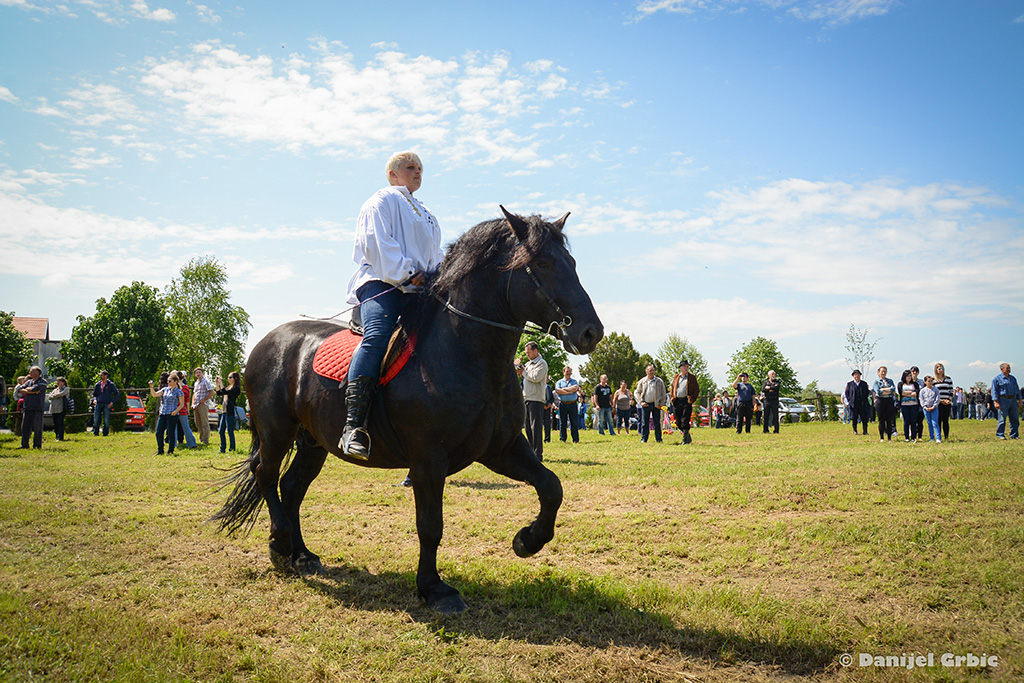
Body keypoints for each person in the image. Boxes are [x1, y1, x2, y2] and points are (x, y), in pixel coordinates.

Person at [340, 151, 445, 460]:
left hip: (419, 289)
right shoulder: (381, 201)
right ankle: (353, 426)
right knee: (377, 337)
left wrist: (439, 277)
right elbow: (377, 244)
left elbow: (435, 255)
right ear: (393, 174)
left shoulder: (427, 213)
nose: (418, 172)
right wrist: (408, 274)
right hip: (382, 282)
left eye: (420, 168)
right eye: (411, 167)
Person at [516, 341, 548, 460]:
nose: (527, 354)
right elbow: (522, 374)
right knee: (528, 427)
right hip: (526, 398)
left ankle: (538, 454)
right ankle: (531, 453)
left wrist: (523, 371)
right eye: (526, 353)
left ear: (536, 351)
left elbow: (535, 377)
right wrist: (517, 366)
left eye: (529, 352)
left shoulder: (542, 363)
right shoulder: (528, 364)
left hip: (536, 399)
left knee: (536, 428)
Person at [148, 373, 185, 455]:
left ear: (175, 381)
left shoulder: (179, 392)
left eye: (170, 381)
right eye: (168, 380)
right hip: (163, 413)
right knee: (158, 432)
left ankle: (170, 450)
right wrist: (151, 387)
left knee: (171, 433)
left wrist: (175, 411)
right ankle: (160, 450)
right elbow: (155, 395)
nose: (168, 382)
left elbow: (182, 404)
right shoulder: (165, 389)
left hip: (172, 414)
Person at [634, 365, 667, 443]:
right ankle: (644, 439)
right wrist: (641, 402)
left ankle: (659, 439)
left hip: (656, 405)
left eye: (653, 370)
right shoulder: (642, 381)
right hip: (646, 404)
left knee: (657, 423)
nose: (652, 372)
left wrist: (661, 404)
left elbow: (663, 393)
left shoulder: (659, 381)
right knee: (644, 423)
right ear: (646, 372)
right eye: (650, 371)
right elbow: (637, 392)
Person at [670, 360, 700, 444]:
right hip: (677, 401)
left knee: (685, 420)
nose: (686, 368)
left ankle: (685, 440)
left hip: (686, 401)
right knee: (678, 421)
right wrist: (672, 398)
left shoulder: (692, 378)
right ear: (680, 368)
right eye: (685, 366)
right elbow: (672, 387)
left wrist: (691, 399)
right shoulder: (676, 377)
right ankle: (687, 436)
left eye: (687, 366)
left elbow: (696, 390)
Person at [19, 366, 47, 449]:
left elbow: (36, 388)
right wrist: (31, 392)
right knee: (25, 427)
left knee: (37, 428)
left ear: (38, 372)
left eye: (32, 371)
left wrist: (28, 390)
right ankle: (24, 445)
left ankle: (37, 445)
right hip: (27, 407)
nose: (30, 372)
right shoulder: (29, 381)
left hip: (37, 408)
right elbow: (20, 389)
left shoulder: (43, 382)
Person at [991, 363, 1021, 440]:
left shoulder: (1013, 378)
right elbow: (994, 391)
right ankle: (1000, 434)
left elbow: (1017, 389)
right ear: (1002, 369)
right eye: (1007, 368)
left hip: (1013, 399)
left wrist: (1020, 399)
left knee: (1015, 418)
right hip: (1003, 400)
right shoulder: (996, 379)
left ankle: (1014, 435)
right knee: (1002, 419)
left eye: (1009, 368)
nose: (1009, 370)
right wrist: (995, 402)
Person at [216, 372, 242, 453]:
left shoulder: (236, 388)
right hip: (224, 411)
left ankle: (232, 448)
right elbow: (219, 393)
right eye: (228, 377)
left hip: (230, 411)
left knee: (230, 431)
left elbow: (225, 393)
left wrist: (221, 383)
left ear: (235, 378)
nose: (228, 379)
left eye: (230, 377)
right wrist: (217, 384)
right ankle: (222, 448)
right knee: (221, 431)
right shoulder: (228, 387)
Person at [555, 366, 581, 443]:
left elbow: (575, 388)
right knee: (562, 423)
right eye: (567, 371)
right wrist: (570, 391)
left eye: (570, 372)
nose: (568, 373)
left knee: (574, 422)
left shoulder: (574, 381)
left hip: (573, 404)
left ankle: (575, 439)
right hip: (562, 404)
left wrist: (563, 390)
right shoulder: (559, 382)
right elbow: (557, 390)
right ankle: (563, 439)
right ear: (563, 372)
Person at [173, 371, 197, 449]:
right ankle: (192, 443)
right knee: (186, 427)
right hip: (183, 409)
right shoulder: (186, 388)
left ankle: (173, 444)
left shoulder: (174, 388)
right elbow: (187, 401)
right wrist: (188, 410)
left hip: (174, 409)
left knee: (173, 427)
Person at [91, 370, 120, 436]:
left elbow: (117, 394)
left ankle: (105, 433)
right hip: (98, 403)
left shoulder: (110, 384)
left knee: (106, 420)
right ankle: (96, 432)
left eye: (102, 375)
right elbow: (94, 394)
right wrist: (94, 399)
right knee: (96, 419)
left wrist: (112, 402)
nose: (100, 376)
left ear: (106, 376)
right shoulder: (97, 385)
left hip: (107, 404)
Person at [873, 366, 897, 442]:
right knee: (881, 420)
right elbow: (878, 391)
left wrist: (883, 390)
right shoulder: (876, 382)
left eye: (885, 371)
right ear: (878, 372)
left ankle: (889, 437)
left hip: (889, 401)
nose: (883, 373)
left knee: (889, 420)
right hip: (880, 401)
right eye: (882, 371)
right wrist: (888, 390)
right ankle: (882, 437)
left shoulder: (890, 381)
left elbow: (893, 389)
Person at [191, 367, 214, 446]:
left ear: (202, 373)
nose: (198, 374)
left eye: (199, 372)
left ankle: (205, 439)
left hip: (203, 405)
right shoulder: (196, 383)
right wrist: (192, 403)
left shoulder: (205, 381)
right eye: (196, 373)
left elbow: (211, 392)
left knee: (204, 423)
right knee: (198, 423)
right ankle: (201, 438)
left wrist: (204, 400)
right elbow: (194, 393)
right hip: (196, 405)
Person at [844, 370, 871, 435]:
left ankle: (865, 431)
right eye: (855, 375)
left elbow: (867, 392)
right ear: (853, 376)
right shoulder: (849, 384)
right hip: (854, 404)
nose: (857, 376)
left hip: (862, 404)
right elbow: (847, 393)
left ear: (860, 375)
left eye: (858, 375)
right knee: (854, 418)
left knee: (864, 418)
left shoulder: (864, 384)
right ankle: (855, 430)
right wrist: (850, 401)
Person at [932, 363, 953, 440]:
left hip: (947, 402)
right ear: (936, 370)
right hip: (938, 403)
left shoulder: (948, 379)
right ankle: (939, 436)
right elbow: (932, 392)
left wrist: (949, 400)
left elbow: (951, 391)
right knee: (938, 420)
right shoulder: (933, 380)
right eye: (939, 369)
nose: (941, 370)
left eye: (942, 368)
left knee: (946, 420)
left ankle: (946, 436)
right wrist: (940, 400)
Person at [898, 369, 920, 442]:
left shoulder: (915, 384)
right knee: (906, 422)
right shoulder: (901, 384)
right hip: (904, 405)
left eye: (910, 376)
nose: (909, 377)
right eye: (907, 376)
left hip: (914, 405)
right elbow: (901, 393)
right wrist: (911, 393)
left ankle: (913, 437)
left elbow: (916, 393)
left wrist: (907, 393)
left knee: (913, 421)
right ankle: (907, 437)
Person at [47, 376, 70, 442]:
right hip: (54, 409)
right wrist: (55, 396)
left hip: (61, 408)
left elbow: (61, 394)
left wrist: (54, 396)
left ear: (63, 382)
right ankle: (57, 436)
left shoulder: (66, 389)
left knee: (60, 423)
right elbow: (50, 396)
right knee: (55, 423)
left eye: (59, 381)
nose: (57, 383)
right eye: (57, 381)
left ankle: (61, 437)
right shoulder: (55, 389)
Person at [920, 375, 941, 443]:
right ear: (925, 382)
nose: (930, 382)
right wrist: (925, 407)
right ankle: (932, 437)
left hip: (934, 408)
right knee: (929, 423)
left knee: (935, 423)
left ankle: (938, 438)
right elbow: (921, 399)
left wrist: (933, 406)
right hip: (926, 409)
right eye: (929, 381)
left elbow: (937, 399)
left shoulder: (935, 389)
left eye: (931, 381)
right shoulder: (922, 391)